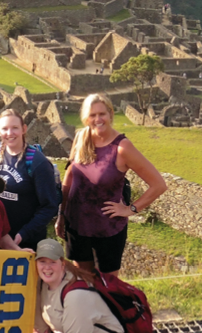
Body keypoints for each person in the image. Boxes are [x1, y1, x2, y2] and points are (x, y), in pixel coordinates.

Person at [58, 94, 167, 277]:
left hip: (106, 230)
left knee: (108, 287)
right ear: (85, 117)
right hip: (76, 226)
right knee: (82, 281)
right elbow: (69, 180)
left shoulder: (122, 148)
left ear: (110, 114)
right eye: (92, 115)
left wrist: (130, 209)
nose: (97, 119)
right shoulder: (80, 138)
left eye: (102, 114)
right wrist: (61, 215)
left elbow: (158, 185)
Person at [32, 239, 128, 333]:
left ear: (62, 264)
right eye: (42, 262)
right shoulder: (42, 284)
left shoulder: (76, 295)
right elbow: (39, 331)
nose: (47, 268)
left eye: (52, 262)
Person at [0, 109, 61, 247]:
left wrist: (24, 233)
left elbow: (49, 206)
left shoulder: (37, 163)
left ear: (24, 129)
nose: (10, 133)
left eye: (15, 128)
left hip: (26, 240)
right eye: (5, 129)